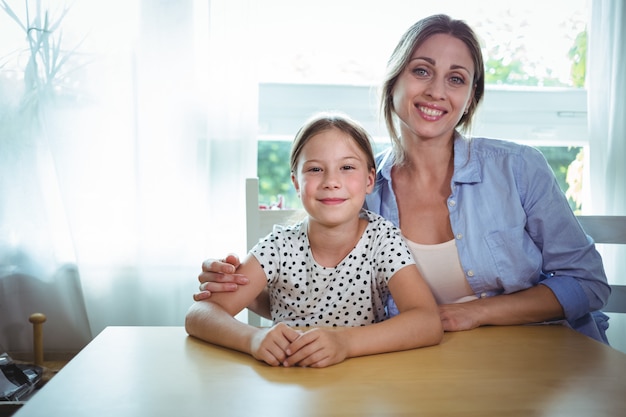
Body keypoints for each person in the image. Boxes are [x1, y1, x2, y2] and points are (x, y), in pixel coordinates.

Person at [195, 14, 611, 343]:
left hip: (543, 353)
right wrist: (241, 285)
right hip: (416, 366)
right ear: (394, 80)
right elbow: (325, 297)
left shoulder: (519, 168)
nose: (436, 91)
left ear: (469, 99)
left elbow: (587, 285)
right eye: (422, 70)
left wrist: (473, 313)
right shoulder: (359, 187)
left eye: (456, 79)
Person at [185, 112, 443, 368]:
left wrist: (345, 344)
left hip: (361, 382)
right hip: (287, 382)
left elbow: (427, 322)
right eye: (316, 169)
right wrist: (254, 338)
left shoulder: (383, 241)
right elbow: (200, 314)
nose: (331, 181)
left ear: (369, 180)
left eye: (347, 167)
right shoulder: (278, 246)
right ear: (297, 184)